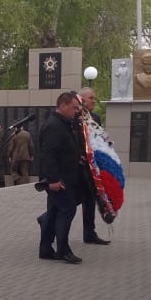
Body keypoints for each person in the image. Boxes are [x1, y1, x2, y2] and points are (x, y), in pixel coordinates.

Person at [37, 92, 84, 264]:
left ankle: (45, 248)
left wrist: (76, 156)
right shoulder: (54, 125)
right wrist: (54, 180)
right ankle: (63, 250)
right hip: (58, 180)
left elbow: (64, 148)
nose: (76, 111)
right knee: (68, 210)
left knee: (54, 212)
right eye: (74, 108)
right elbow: (48, 155)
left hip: (65, 176)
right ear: (62, 105)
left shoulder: (63, 123)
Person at [75, 88, 110, 246]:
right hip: (78, 165)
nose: (94, 101)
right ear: (81, 100)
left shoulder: (95, 118)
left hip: (91, 167)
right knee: (71, 201)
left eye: (95, 98)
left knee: (90, 200)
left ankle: (90, 233)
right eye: (91, 98)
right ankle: (46, 219)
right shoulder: (74, 117)